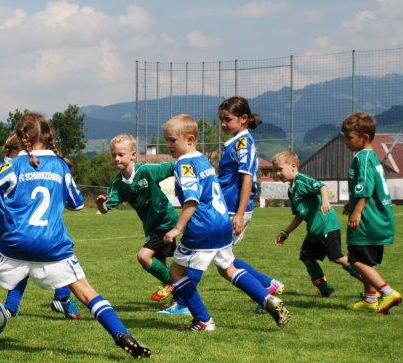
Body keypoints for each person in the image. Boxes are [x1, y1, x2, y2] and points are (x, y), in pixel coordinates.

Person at [0, 113, 151, 357]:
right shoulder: (60, 165)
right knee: (86, 292)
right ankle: (122, 334)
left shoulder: (12, 164)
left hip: (17, 243)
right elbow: (76, 204)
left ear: (21, 137)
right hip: (53, 245)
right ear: (47, 136)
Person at [162, 114, 290, 331]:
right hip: (222, 223)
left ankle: (203, 320)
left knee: (176, 272)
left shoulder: (184, 164)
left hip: (202, 227)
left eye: (172, 140)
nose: (168, 145)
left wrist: (177, 228)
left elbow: (192, 201)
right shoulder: (203, 159)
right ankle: (267, 298)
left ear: (190, 139)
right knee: (228, 268)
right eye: (167, 140)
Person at [0, 134, 82, 320]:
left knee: (31, 261)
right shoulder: (10, 165)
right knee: (40, 261)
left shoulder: (16, 165)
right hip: (14, 226)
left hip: (17, 226)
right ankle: (49, 301)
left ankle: (20, 306)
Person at [96, 134, 190, 316]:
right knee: (160, 264)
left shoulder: (146, 171)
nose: (116, 158)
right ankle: (180, 301)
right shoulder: (118, 183)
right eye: (114, 155)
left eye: (121, 154)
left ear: (133, 155)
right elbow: (106, 209)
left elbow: (172, 167)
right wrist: (100, 203)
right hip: (151, 227)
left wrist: (190, 162)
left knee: (144, 257)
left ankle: (177, 288)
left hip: (165, 221)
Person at [216, 97, 285, 306]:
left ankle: (266, 290)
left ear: (243, 118)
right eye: (221, 120)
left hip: (233, 209)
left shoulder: (243, 143)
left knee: (218, 258)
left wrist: (239, 214)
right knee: (222, 258)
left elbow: (247, 178)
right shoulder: (237, 142)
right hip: (227, 208)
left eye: (228, 119)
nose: (223, 124)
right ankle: (267, 285)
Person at [270, 151, 362, 297]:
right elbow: (299, 215)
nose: (278, 173)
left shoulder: (301, 180)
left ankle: (370, 284)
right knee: (306, 257)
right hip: (314, 230)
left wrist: (325, 201)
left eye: (280, 169)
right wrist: (285, 232)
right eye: (276, 170)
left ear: (293, 166)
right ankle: (326, 290)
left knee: (337, 257)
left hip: (326, 225)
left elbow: (322, 186)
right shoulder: (291, 190)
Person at [341, 112, 402, 314]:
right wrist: (352, 202)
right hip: (378, 216)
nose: (346, 141)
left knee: (356, 260)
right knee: (365, 260)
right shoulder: (372, 156)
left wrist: (357, 211)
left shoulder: (363, 158)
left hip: (368, 219)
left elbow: (365, 186)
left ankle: (388, 293)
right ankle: (370, 299)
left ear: (364, 137)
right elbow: (369, 186)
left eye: (349, 137)